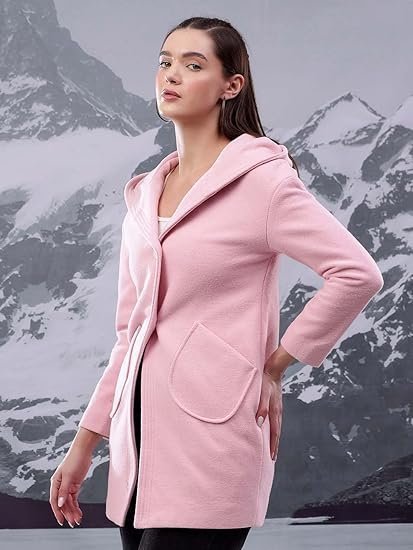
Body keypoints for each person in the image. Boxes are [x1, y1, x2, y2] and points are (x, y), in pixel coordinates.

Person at [49, 16, 384, 550]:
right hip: (139, 455)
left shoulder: (264, 183)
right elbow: (130, 335)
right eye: (165, 62)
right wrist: (84, 444)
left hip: (214, 438)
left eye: (192, 64)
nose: (171, 75)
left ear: (232, 85)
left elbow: (357, 273)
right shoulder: (143, 197)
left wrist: (276, 364)